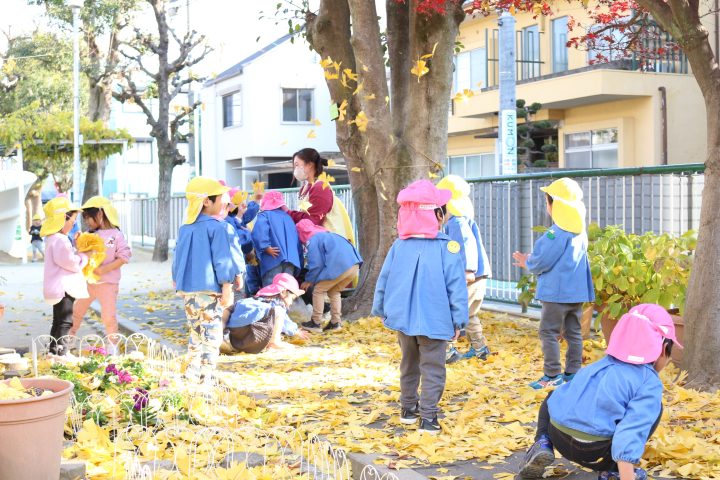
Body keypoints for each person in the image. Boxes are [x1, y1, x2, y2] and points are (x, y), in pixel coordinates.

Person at [518, 304, 682, 480]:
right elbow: (630, 430)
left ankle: (543, 442)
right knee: (653, 410)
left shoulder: (600, 365)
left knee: (553, 396)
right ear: (663, 348)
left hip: (559, 436)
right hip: (595, 451)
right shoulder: (648, 382)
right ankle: (612, 471)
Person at [372, 180, 468, 435]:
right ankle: (428, 418)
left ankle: (407, 409)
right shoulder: (448, 248)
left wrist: (381, 308)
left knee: (409, 363)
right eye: (443, 211)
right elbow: (456, 288)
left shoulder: (399, 246)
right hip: (435, 321)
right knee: (433, 368)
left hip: (402, 317)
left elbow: (384, 278)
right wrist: (459, 321)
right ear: (437, 215)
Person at [512, 178, 594, 389]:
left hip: (555, 295)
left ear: (555, 206)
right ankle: (573, 372)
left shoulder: (555, 233)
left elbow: (542, 261)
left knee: (548, 332)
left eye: (547, 202)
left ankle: (552, 374)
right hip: (576, 293)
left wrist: (526, 261)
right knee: (573, 332)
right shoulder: (580, 233)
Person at [172, 177, 240, 381]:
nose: (223, 203)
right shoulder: (217, 227)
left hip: (188, 289)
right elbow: (222, 260)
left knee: (196, 331)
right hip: (209, 289)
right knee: (212, 332)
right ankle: (206, 374)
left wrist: (177, 280)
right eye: (220, 198)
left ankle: (191, 370)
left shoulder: (185, 228)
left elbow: (178, 258)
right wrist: (227, 287)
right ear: (206, 201)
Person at [437, 175, 492, 363]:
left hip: (470, 276)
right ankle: (480, 348)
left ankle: (447, 349)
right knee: (469, 314)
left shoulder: (457, 222)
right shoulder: (463, 219)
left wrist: (467, 270)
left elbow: (465, 245)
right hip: (479, 276)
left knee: (451, 311)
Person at [69, 197, 132, 354]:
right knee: (76, 312)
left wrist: (105, 270)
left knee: (108, 316)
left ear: (101, 213)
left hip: (108, 284)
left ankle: (112, 345)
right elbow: (80, 256)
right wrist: (78, 244)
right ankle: (67, 341)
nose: (88, 222)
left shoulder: (116, 234)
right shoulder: (88, 234)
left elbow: (125, 256)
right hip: (88, 283)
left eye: (89, 217)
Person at [40, 196, 90, 355]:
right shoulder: (60, 240)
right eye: (72, 220)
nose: (74, 223)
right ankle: (61, 353)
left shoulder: (53, 238)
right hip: (64, 289)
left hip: (57, 288)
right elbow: (72, 263)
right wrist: (83, 255)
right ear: (63, 218)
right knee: (65, 323)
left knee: (58, 321)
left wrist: (75, 245)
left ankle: (53, 352)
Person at [296, 219, 363, 333]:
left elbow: (316, 264)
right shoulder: (327, 235)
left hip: (340, 266)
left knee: (318, 290)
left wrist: (309, 280)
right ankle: (335, 322)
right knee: (334, 291)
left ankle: (315, 322)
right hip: (354, 265)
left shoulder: (313, 239)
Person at [221, 273, 311, 354]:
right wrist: (296, 331)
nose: (291, 303)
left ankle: (227, 342)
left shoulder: (255, 301)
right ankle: (274, 343)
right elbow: (285, 323)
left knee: (231, 308)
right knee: (278, 312)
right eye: (292, 298)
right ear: (283, 293)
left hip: (235, 335)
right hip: (253, 334)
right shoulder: (277, 304)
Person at [251, 191, 303, 287]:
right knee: (286, 292)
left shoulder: (264, 215)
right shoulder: (288, 218)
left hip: (273, 259)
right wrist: (299, 260)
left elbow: (259, 232)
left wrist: (265, 247)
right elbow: (297, 241)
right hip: (291, 261)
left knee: (271, 290)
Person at [285, 148, 333, 225]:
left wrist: (289, 213)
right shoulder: (304, 188)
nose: (295, 169)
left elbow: (314, 220)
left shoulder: (320, 187)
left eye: (297, 165)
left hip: (324, 235)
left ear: (310, 165)